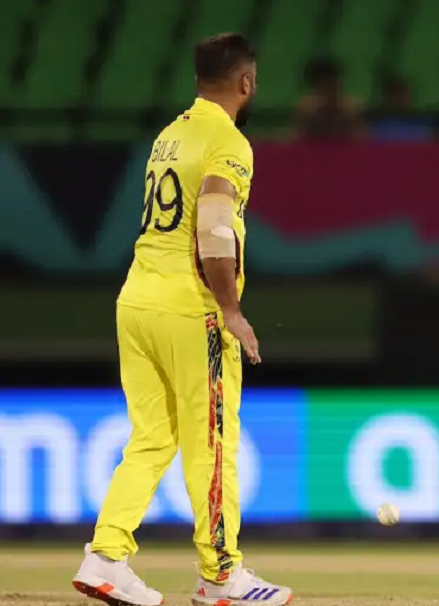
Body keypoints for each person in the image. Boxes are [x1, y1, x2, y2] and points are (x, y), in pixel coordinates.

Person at [71, 33, 292, 606]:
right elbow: (214, 224)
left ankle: (105, 556)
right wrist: (230, 309)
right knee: (211, 444)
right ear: (246, 82)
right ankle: (221, 576)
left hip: (137, 300)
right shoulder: (229, 141)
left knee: (152, 438)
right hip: (190, 311)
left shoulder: (169, 135)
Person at [293, 57, 365, 140]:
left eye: (333, 84)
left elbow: (361, 140)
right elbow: (298, 139)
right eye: (325, 85)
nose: (330, 89)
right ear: (315, 87)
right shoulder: (306, 108)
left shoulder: (352, 108)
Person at [371, 74, 433, 141]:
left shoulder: (424, 122)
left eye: (404, 94)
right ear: (387, 98)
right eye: (396, 94)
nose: (400, 99)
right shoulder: (379, 126)